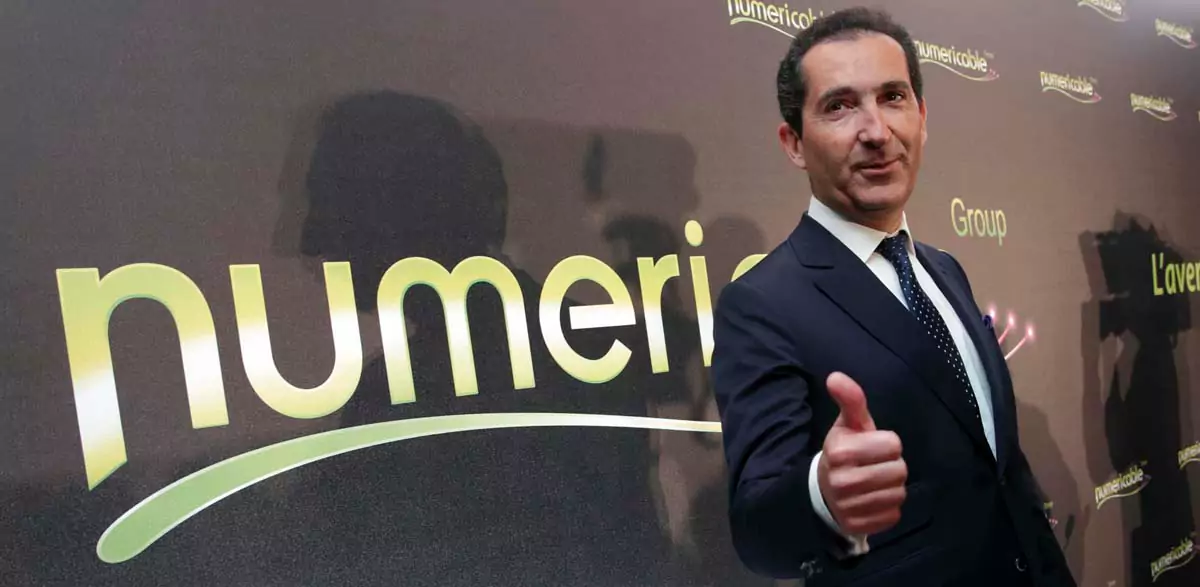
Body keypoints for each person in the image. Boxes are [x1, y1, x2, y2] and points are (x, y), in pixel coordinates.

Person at [710, 8, 1076, 587]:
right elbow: (758, 529)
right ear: (794, 143)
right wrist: (823, 496)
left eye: (893, 97)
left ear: (921, 117)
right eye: (839, 106)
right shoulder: (759, 304)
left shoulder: (944, 269)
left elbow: (1000, 470)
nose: (876, 131)